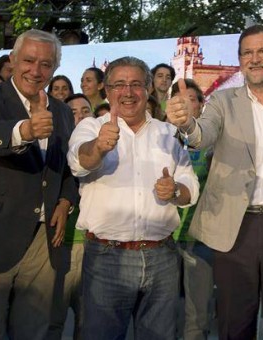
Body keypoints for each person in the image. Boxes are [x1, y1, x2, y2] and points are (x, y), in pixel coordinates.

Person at [167, 24, 263, 340]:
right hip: (235, 228)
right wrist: (187, 124)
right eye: (247, 52)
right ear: (240, 60)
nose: (255, 59)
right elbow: (204, 134)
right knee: (234, 323)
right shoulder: (222, 102)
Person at [0, 29, 78, 339]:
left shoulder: (62, 111)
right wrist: (25, 129)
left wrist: (65, 200)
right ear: (12, 60)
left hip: (43, 243)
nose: (36, 71)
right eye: (29, 60)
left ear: (55, 68)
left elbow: (65, 167)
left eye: (46, 64)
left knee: (33, 332)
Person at [67, 56, 199, 339]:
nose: (128, 92)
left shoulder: (169, 133)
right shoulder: (90, 128)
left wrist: (174, 190)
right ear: (106, 90)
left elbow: (190, 187)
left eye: (136, 84)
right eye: (119, 85)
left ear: (149, 89)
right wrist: (100, 147)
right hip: (106, 259)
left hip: (162, 257)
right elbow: (80, 162)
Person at [170, 78, 215, 340]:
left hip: (200, 239)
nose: (184, 104)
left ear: (201, 105)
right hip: (164, 237)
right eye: (178, 98)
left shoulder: (214, 139)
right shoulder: (161, 137)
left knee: (196, 313)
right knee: (162, 310)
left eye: (191, 99)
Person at [47, 93, 93, 339]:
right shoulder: (51, 149)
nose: (79, 116)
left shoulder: (104, 151)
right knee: (53, 320)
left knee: (88, 324)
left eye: (85, 111)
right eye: (72, 112)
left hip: (93, 247)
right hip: (58, 245)